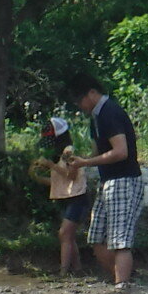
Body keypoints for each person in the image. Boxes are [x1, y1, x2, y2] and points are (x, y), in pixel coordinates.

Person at [72, 81, 142, 290]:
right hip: (108, 181)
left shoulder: (109, 112)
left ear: (92, 92)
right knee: (96, 237)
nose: (79, 105)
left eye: (80, 100)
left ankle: (122, 284)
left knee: (120, 240)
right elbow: (97, 152)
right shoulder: (95, 117)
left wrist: (86, 163)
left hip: (123, 179)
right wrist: (79, 162)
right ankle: (121, 279)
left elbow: (121, 152)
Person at [29, 117, 92, 275]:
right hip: (68, 199)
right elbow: (57, 182)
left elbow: (70, 175)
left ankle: (63, 272)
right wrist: (35, 176)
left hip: (78, 198)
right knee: (68, 236)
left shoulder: (69, 152)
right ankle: (77, 270)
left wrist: (51, 165)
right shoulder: (59, 155)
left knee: (64, 233)